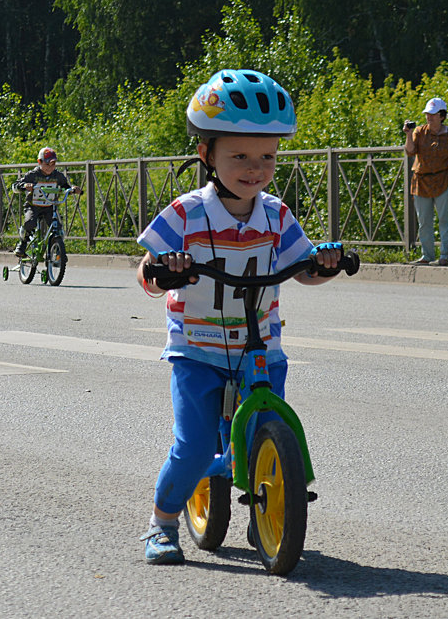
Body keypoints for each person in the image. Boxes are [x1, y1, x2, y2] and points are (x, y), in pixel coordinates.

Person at [134, 69, 343, 565]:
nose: (255, 169)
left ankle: (265, 522)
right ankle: (161, 524)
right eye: (240, 156)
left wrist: (325, 264)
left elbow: (303, 269)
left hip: (261, 349)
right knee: (197, 443)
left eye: (267, 156)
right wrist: (165, 272)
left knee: (267, 428)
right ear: (207, 154)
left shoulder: (276, 215)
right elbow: (146, 272)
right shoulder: (187, 213)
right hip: (198, 350)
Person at [404, 97, 448, 265]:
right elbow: (410, 152)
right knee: (424, 221)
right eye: (427, 114)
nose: (428, 117)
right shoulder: (419, 132)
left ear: (442, 116)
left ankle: (445, 256)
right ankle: (427, 256)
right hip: (421, 181)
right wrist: (408, 135)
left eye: (432, 114)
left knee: (445, 220)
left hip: (443, 181)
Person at [11, 147, 83, 257]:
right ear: (39, 162)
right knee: (30, 223)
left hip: (49, 206)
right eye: (47, 164)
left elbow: (65, 186)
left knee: (57, 228)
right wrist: (25, 186)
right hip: (33, 206)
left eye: (53, 164)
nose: (50, 167)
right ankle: (22, 244)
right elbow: (15, 186)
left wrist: (73, 189)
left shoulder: (57, 175)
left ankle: (58, 252)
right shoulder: (33, 175)